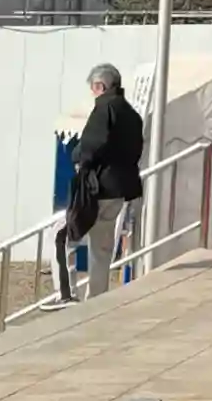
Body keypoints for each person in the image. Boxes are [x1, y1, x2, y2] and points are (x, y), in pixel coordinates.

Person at [50, 63, 145, 304]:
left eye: (93, 88)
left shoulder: (104, 108)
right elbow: (136, 150)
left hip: (96, 189)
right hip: (119, 190)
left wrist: (78, 159)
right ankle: (97, 300)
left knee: (61, 235)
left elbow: (91, 145)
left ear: (101, 86)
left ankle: (66, 295)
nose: (92, 93)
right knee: (102, 248)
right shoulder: (132, 115)